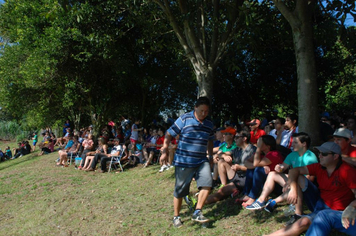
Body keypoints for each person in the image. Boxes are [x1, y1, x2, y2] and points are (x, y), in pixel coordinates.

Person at [264, 142, 356, 236]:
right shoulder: (319, 167)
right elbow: (294, 170)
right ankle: (298, 213)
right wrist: (293, 189)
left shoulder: (347, 171)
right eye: (319, 153)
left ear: (335, 156)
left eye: (324, 154)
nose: (320, 156)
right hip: (320, 203)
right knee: (299, 177)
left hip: (336, 211)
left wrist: (351, 207)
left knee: (304, 222)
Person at [160, 97, 215, 228]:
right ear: (195, 108)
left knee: (207, 184)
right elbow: (169, 133)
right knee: (180, 190)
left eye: (206, 111)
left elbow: (211, 140)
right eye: (201, 111)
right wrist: (164, 150)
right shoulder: (184, 119)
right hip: (184, 161)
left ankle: (198, 211)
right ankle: (176, 216)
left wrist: (211, 156)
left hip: (202, 160)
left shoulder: (209, 124)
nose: (203, 114)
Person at [246, 132, 318, 225]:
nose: (292, 144)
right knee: (272, 174)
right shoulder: (292, 155)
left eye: (295, 142)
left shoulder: (310, 157)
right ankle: (261, 200)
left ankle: (276, 203)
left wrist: (291, 184)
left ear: (304, 144)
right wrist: (279, 168)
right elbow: (283, 167)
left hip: (305, 185)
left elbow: (310, 179)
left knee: (296, 180)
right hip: (293, 181)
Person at [204, 130, 256, 205]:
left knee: (221, 193)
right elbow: (220, 154)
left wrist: (240, 168)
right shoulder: (237, 149)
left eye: (237, 137)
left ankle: (200, 204)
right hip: (237, 175)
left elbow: (256, 168)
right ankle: (198, 203)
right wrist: (224, 156)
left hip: (246, 178)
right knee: (221, 161)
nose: (235, 139)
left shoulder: (252, 150)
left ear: (244, 139)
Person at [241, 135, 284, 207]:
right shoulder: (260, 154)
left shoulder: (274, 154)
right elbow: (246, 162)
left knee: (258, 169)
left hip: (276, 184)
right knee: (252, 169)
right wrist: (261, 165)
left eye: (260, 142)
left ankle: (252, 197)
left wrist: (258, 148)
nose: (258, 143)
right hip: (266, 183)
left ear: (268, 145)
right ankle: (247, 194)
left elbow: (255, 163)